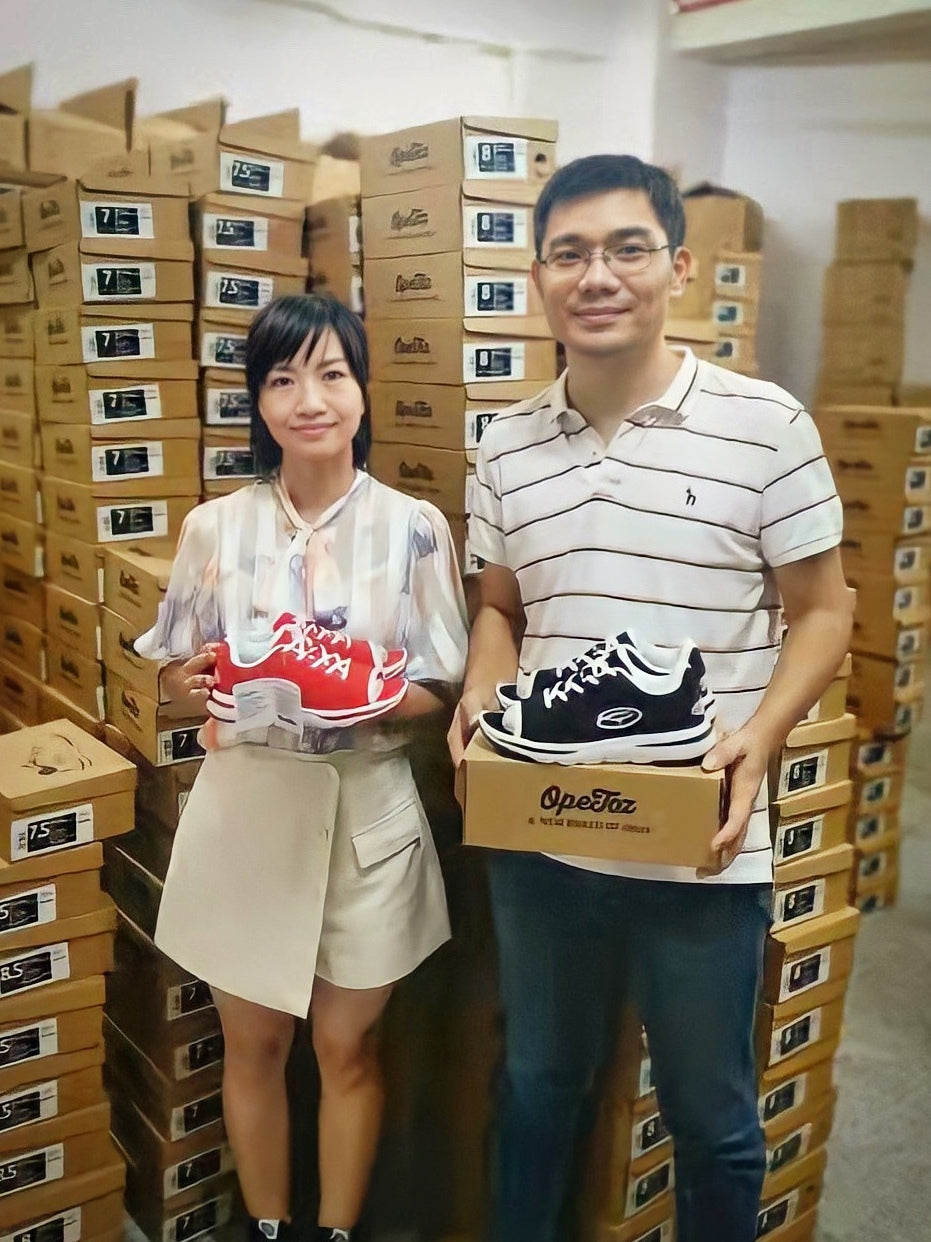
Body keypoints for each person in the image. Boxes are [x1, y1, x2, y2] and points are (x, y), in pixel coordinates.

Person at [448, 155, 853, 1242]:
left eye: (625, 248)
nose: (597, 275)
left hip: (701, 843)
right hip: (544, 837)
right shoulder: (505, 444)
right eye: (569, 253)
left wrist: (759, 742)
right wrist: (483, 691)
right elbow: (499, 608)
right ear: (535, 278)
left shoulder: (766, 425)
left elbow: (823, 612)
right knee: (535, 1091)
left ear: (675, 265)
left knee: (711, 1119)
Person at [136, 294, 469, 1242]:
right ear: (260, 403)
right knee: (254, 1044)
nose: (307, 398)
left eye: (330, 373)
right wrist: (187, 681)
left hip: (366, 812)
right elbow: (169, 675)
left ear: (364, 392)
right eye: (281, 379)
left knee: (347, 1046)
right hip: (247, 813)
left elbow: (442, 683)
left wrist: (365, 698)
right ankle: (272, 1227)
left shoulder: (413, 529)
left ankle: (335, 1232)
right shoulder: (215, 527)